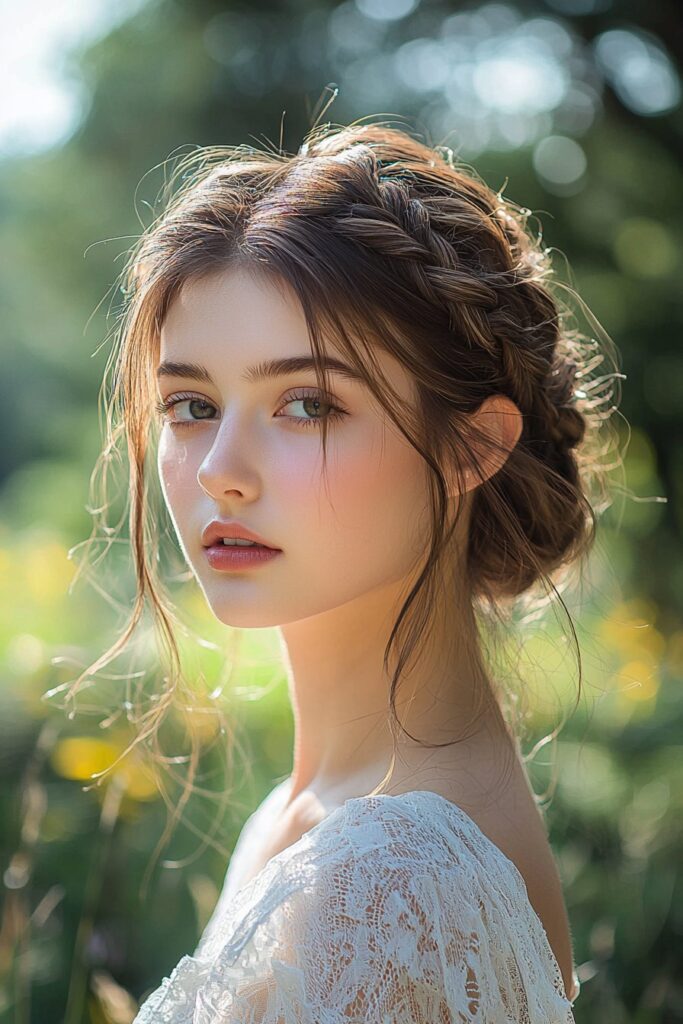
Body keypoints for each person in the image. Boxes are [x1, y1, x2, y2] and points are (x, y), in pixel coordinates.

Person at [79, 119, 622, 1021]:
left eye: (306, 403)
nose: (219, 467)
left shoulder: (393, 884)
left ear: (470, 447)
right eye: (191, 404)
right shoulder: (318, 819)